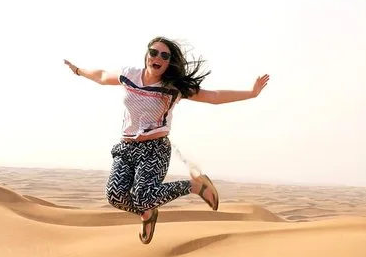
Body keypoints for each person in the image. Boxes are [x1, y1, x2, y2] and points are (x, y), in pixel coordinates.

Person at [63, 36, 270, 244]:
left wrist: (251, 93)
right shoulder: (129, 75)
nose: (157, 58)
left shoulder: (173, 88)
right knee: (115, 196)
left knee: (144, 197)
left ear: (169, 62)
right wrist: (79, 71)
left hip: (155, 149)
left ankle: (196, 186)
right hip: (126, 147)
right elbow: (101, 76)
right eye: (154, 52)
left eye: (164, 56)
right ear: (147, 54)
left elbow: (213, 97)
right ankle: (147, 213)